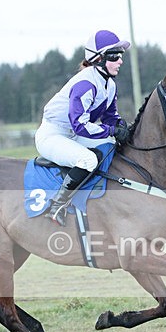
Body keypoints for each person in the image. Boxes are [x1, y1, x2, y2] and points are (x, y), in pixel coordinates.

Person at [35, 29, 132, 225]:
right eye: (114, 56)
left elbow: (110, 117)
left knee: (113, 143)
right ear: (99, 59)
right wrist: (112, 130)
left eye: (120, 56)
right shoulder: (86, 83)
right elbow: (79, 125)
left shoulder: (109, 84)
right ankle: (57, 206)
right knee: (88, 160)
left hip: (71, 134)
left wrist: (124, 127)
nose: (120, 61)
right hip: (53, 135)